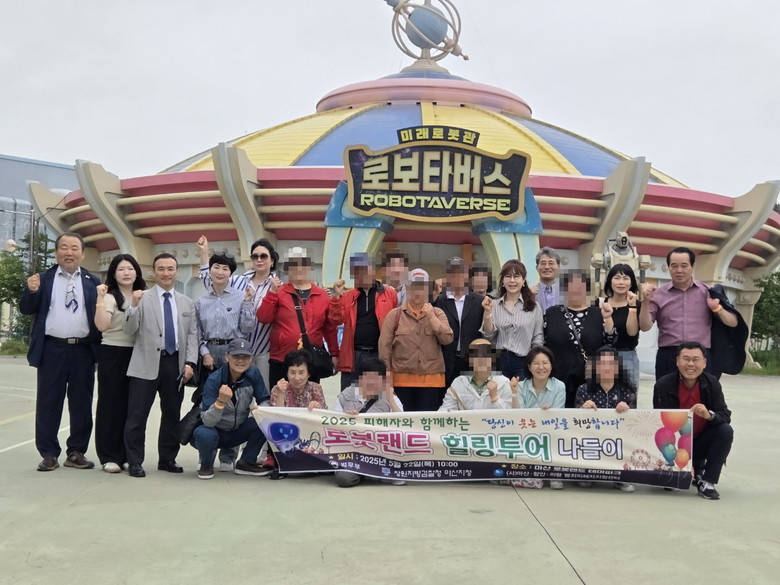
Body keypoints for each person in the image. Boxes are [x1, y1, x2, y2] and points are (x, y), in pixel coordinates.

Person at [20, 232, 102, 472]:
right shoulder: (42, 279)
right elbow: (26, 309)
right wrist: (31, 291)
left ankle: (76, 452)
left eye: (74, 248)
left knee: (82, 403)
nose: (69, 252)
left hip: (83, 350)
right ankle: (48, 454)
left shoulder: (93, 281)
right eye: (64, 247)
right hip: (52, 348)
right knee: (48, 402)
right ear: (56, 253)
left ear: (82, 254)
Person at [123, 253, 198, 478]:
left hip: (175, 364)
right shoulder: (141, 298)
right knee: (137, 414)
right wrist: (133, 306)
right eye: (161, 269)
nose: (166, 273)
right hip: (146, 363)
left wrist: (190, 362)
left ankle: (167, 458)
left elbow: (192, 335)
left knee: (172, 414)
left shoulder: (187, 302)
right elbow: (129, 330)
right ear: (153, 272)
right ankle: (134, 460)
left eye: (170, 269)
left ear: (177, 272)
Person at [194, 251, 257, 471]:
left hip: (234, 352)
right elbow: (197, 333)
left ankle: (228, 456)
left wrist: (248, 303)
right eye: (216, 267)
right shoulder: (201, 301)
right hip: (211, 353)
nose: (220, 272)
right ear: (209, 270)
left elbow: (248, 328)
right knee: (210, 401)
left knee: (236, 403)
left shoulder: (240, 296)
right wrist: (205, 353)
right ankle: (207, 452)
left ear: (231, 273)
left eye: (225, 268)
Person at [639, 247, 738, 380]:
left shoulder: (708, 292)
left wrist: (717, 309)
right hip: (669, 354)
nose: (679, 270)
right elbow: (645, 327)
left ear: (693, 266)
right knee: (666, 393)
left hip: (699, 355)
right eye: (674, 266)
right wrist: (645, 301)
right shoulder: (658, 294)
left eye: (684, 266)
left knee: (703, 393)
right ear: (668, 267)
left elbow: (733, 322)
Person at [653, 341, 733, 500]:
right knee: (670, 485)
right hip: (674, 445)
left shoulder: (712, 383)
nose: (690, 364)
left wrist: (709, 415)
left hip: (701, 442)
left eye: (696, 359)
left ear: (704, 363)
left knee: (725, 430)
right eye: (686, 359)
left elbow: (725, 415)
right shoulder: (663, 385)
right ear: (677, 361)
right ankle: (678, 469)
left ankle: (708, 481)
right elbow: (659, 422)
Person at [196, 235, 278, 388]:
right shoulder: (237, 280)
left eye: (264, 256)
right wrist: (203, 253)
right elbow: (213, 281)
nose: (259, 260)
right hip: (234, 348)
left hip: (262, 347)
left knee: (260, 390)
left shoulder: (277, 285)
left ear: (272, 260)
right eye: (255, 256)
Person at [256, 247, 339, 390]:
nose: (298, 268)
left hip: (310, 361)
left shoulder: (322, 295)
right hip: (281, 359)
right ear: (287, 268)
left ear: (309, 267)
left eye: (302, 264)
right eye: (293, 264)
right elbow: (263, 318)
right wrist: (272, 294)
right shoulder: (279, 292)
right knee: (279, 399)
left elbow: (330, 328)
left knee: (310, 400)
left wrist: (334, 354)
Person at [93, 254, 147, 473]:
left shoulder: (144, 295)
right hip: (113, 353)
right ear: (113, 274)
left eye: (130, 268)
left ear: (137, 272)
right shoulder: (109, 297)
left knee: (132, 407)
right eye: (121, 269)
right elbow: (102, 326)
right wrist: (99, 299)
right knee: (110, 405)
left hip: (138, 353)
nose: (126, 273)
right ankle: (109, 455)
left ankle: (127, 454)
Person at [191, 339, 271, 480]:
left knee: (264, 421)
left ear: (251, 359)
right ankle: (206, 464)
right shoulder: (214, 379)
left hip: (237, 431)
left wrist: (260, 410)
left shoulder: (254, 374)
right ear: (227, 357)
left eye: (245, 357)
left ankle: (246, 462)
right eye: (236, 356)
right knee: (204, 433)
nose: (240, 360)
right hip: (215, 431)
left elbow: (264, 400)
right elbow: (207, 421)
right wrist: (220, 403)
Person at [379, 268, 453, 411]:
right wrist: (386, 377)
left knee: (426, 423)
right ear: (407, 288)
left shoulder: (438, 313)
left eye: (422, 286)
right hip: (401, 381)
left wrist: (431, 317)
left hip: (431, 381)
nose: (418, 291)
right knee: (403, 421)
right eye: (414, 286)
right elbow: (384, 348)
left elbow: (447, 339)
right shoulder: (394, 315)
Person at [543, 270, 617, 407]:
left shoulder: (598, 313)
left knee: (587, 413)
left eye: (580, 286)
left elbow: (610, 340)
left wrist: (608, 318)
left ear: (587, 290)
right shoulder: (552, 313)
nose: (575, 290)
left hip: (589, 378)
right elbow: (543, 342)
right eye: (571, 286)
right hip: (558, 376)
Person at [332, 357, 405, 488]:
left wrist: (391, 401)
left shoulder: (389, 396)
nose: (372, 382)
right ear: (360, 378)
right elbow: (333, 424)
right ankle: (366, 473)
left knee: (400, 478)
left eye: (377, 378)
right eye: (368, 378)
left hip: (381, 451)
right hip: (354, 451)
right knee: (343, 479)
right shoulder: (346, 396)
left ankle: (373, 472)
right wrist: (346, 418)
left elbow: (404, 424)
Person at [329, 252, 398, 390]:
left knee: (377, 396)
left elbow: (396, 322)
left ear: (373, 270)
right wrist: (336, 297)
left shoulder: (389, 293)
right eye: (358, 271)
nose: (363, 274)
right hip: (354, 355)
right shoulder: (348, 295)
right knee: (349, 395)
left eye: (366, 269)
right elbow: (336, 320)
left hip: (378, 354)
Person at [575, 346, 636, 493]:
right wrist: (583, 409)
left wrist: (627, 410)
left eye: (611, 363)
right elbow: (574, 422)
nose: (607, 367)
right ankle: (587, 472)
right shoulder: (583, 390)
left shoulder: (628, 391)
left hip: (618, 440)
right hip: (592, 440)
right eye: (602, 363)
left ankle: (621, 477)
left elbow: (635, 424)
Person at [511, 345, 566, 490]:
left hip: (549, 433)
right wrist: (514, 393)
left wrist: (549, 414)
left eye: (545, 363)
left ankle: (554, 473)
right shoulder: (521, 386)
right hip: (525, 433)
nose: (541, 367)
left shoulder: (559, 386)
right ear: (529, 367)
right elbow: (518, 416)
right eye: (536, 363)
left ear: (551, 365)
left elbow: (558, 417)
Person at [480, 260, 543, 379]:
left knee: (520, 391)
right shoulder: (493, 304)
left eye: (516, 276)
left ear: (523, 281)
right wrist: (487, 314)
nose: (512, 280)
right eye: (508, 276)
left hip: (523, 361)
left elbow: (537, 337)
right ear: (503, 281)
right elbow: (488, 336)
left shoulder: (534, 307)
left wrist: (534, 361)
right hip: (498, 361)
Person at [434, 257, 485, 388]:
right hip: (445, 360)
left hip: (471, 361)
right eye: (453, 273)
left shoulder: (479, 301)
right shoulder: (439, 301)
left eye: (461, 273)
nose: (457, 277)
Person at [439, 339, 514, 411]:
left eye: (486, 354)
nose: (481, 359)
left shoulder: (504, 382)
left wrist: (495, 398)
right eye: (475, 354)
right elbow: (445, 411)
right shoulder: (458, 382)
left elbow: (509, 415)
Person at [603, 263, 641, 390]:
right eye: (617, 278)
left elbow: (632, 332)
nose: (621, 282)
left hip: (627, 357)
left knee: (627, 397)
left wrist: (632, 306)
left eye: (625, 278)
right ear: (610, 281)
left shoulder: (637, 304)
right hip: (602, 357)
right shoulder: (600, 303)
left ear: (631, 283)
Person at [531, 247, 562, 312]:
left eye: (551, 263)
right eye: (543, 263)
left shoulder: (567, 294)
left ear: (558, 267)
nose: (547, 267)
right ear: (537, 267)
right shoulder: (530, 293)